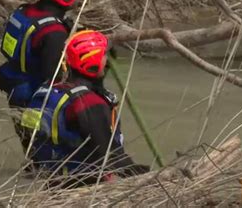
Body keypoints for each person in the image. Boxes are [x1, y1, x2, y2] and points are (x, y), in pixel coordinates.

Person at [20, 30, 149, 188]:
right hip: (86, 189)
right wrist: (149, 178)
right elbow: (112, 157)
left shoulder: (47, 93)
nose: (106, 61)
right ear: (92, 62)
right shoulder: (89, 103)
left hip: (53, 185)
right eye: (103, 56)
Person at [0, 0, 83, 152]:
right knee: (44, 152)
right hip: (34, 94)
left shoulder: (24, 11)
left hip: (13, 82)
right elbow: (54, 77)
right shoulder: (54, 31)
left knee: (30, 147)